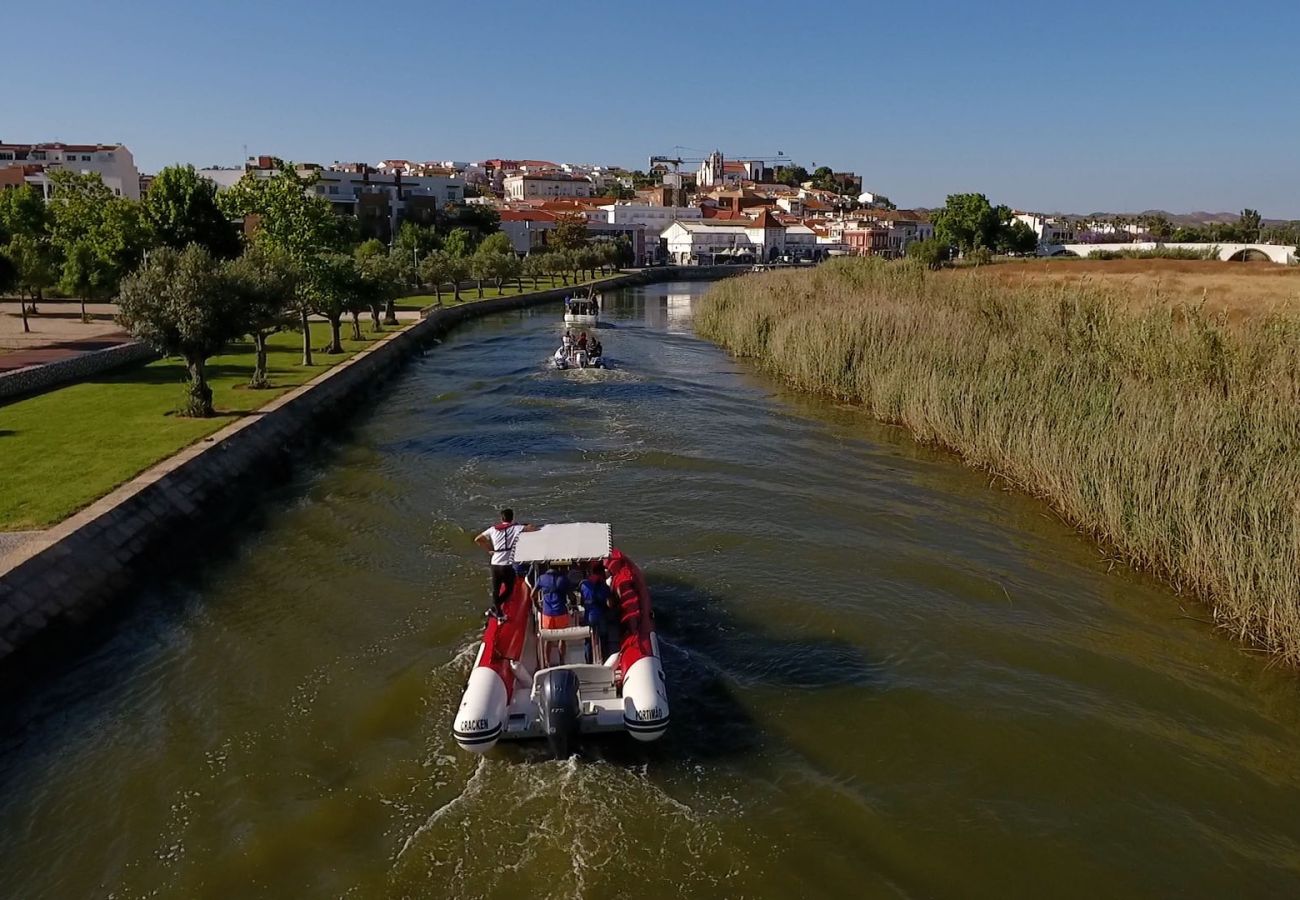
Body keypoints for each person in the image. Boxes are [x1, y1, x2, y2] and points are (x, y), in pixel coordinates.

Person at [474, 509, 539, 619]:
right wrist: (523, 525)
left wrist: (489, 550)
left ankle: (497, 611)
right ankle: (495, 608)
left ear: (501, 518)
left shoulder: (493, 529)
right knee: (509, 589)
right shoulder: (515, 528)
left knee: (496, 589)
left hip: (495, 563)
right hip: (507, 564)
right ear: (512, 518)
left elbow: (478, 539)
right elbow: (533, 528)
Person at [536, 562, 572, 665]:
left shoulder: (541, 578)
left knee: (548, 639)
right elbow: (571, 596)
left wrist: (537, 606)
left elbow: (532, 594)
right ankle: (562, 661)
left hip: (547, 613)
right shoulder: (563, 579)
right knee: (562, 638)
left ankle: (547, 662)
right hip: (561, 612)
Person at [580, 563, 616, 661]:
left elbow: (582, 601)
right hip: (600, 616)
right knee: (603, 638)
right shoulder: (604, 587)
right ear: (601, 574)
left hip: (589, 616)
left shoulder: (584, 585)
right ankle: (604, 659)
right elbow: (610, 604)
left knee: (588, 640)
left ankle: (588, 661)